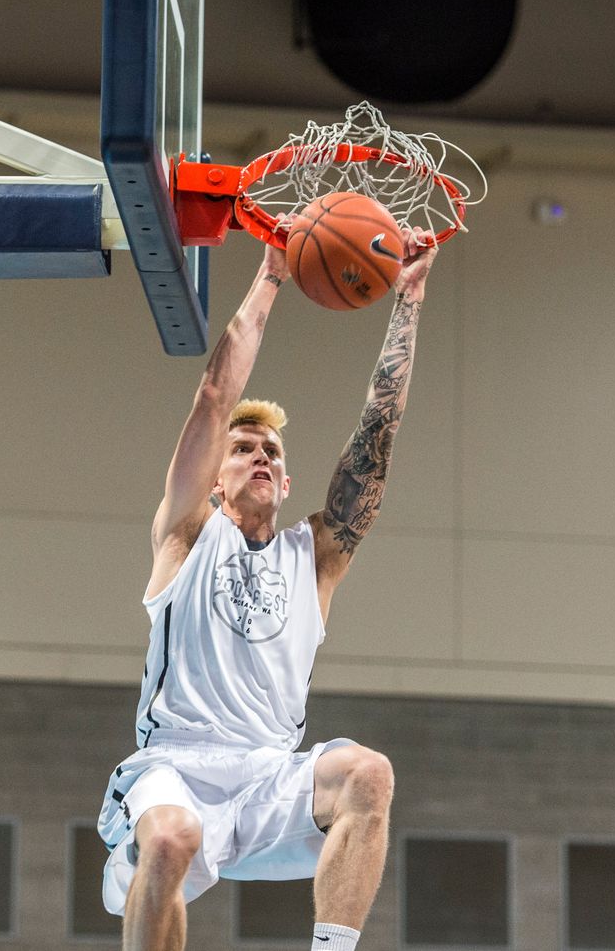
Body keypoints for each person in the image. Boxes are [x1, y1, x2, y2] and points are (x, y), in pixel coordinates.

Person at [97, 225, 438, 951]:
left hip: (268, 775)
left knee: (368, 775)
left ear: (285, 483)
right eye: (243, 448)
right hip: (176, 767)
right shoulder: (188, 533)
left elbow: (378, 430)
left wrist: (406, 296)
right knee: (172, 841)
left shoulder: (313, 556)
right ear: (215, 480)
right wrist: (273, 273)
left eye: (271, 452)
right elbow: (216, 396)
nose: (258, 455)